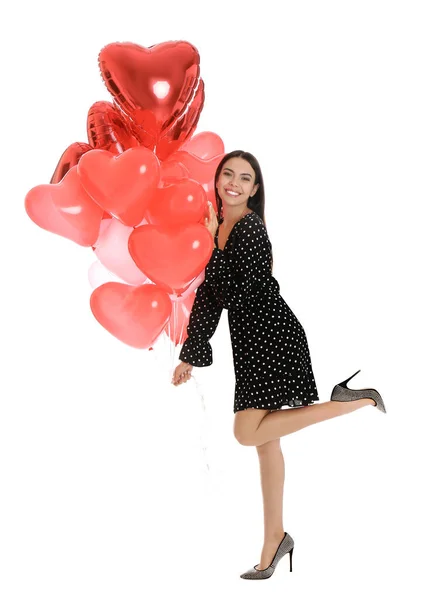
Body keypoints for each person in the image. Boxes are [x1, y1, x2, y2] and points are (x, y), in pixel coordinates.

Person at [171, 150, 386, 580]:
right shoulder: (220, 227)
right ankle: (275, 539)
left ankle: (351, 402)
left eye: (244, 178)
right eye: (227, 174)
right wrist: (191, 353)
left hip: (273, 337)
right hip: (251, 343)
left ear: (254, 189)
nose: (234, 182)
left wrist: (214, 246)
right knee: (266, 443)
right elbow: (212, 297)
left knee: (245, 431)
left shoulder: (249, 229)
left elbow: (232, 290)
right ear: (217, 180)